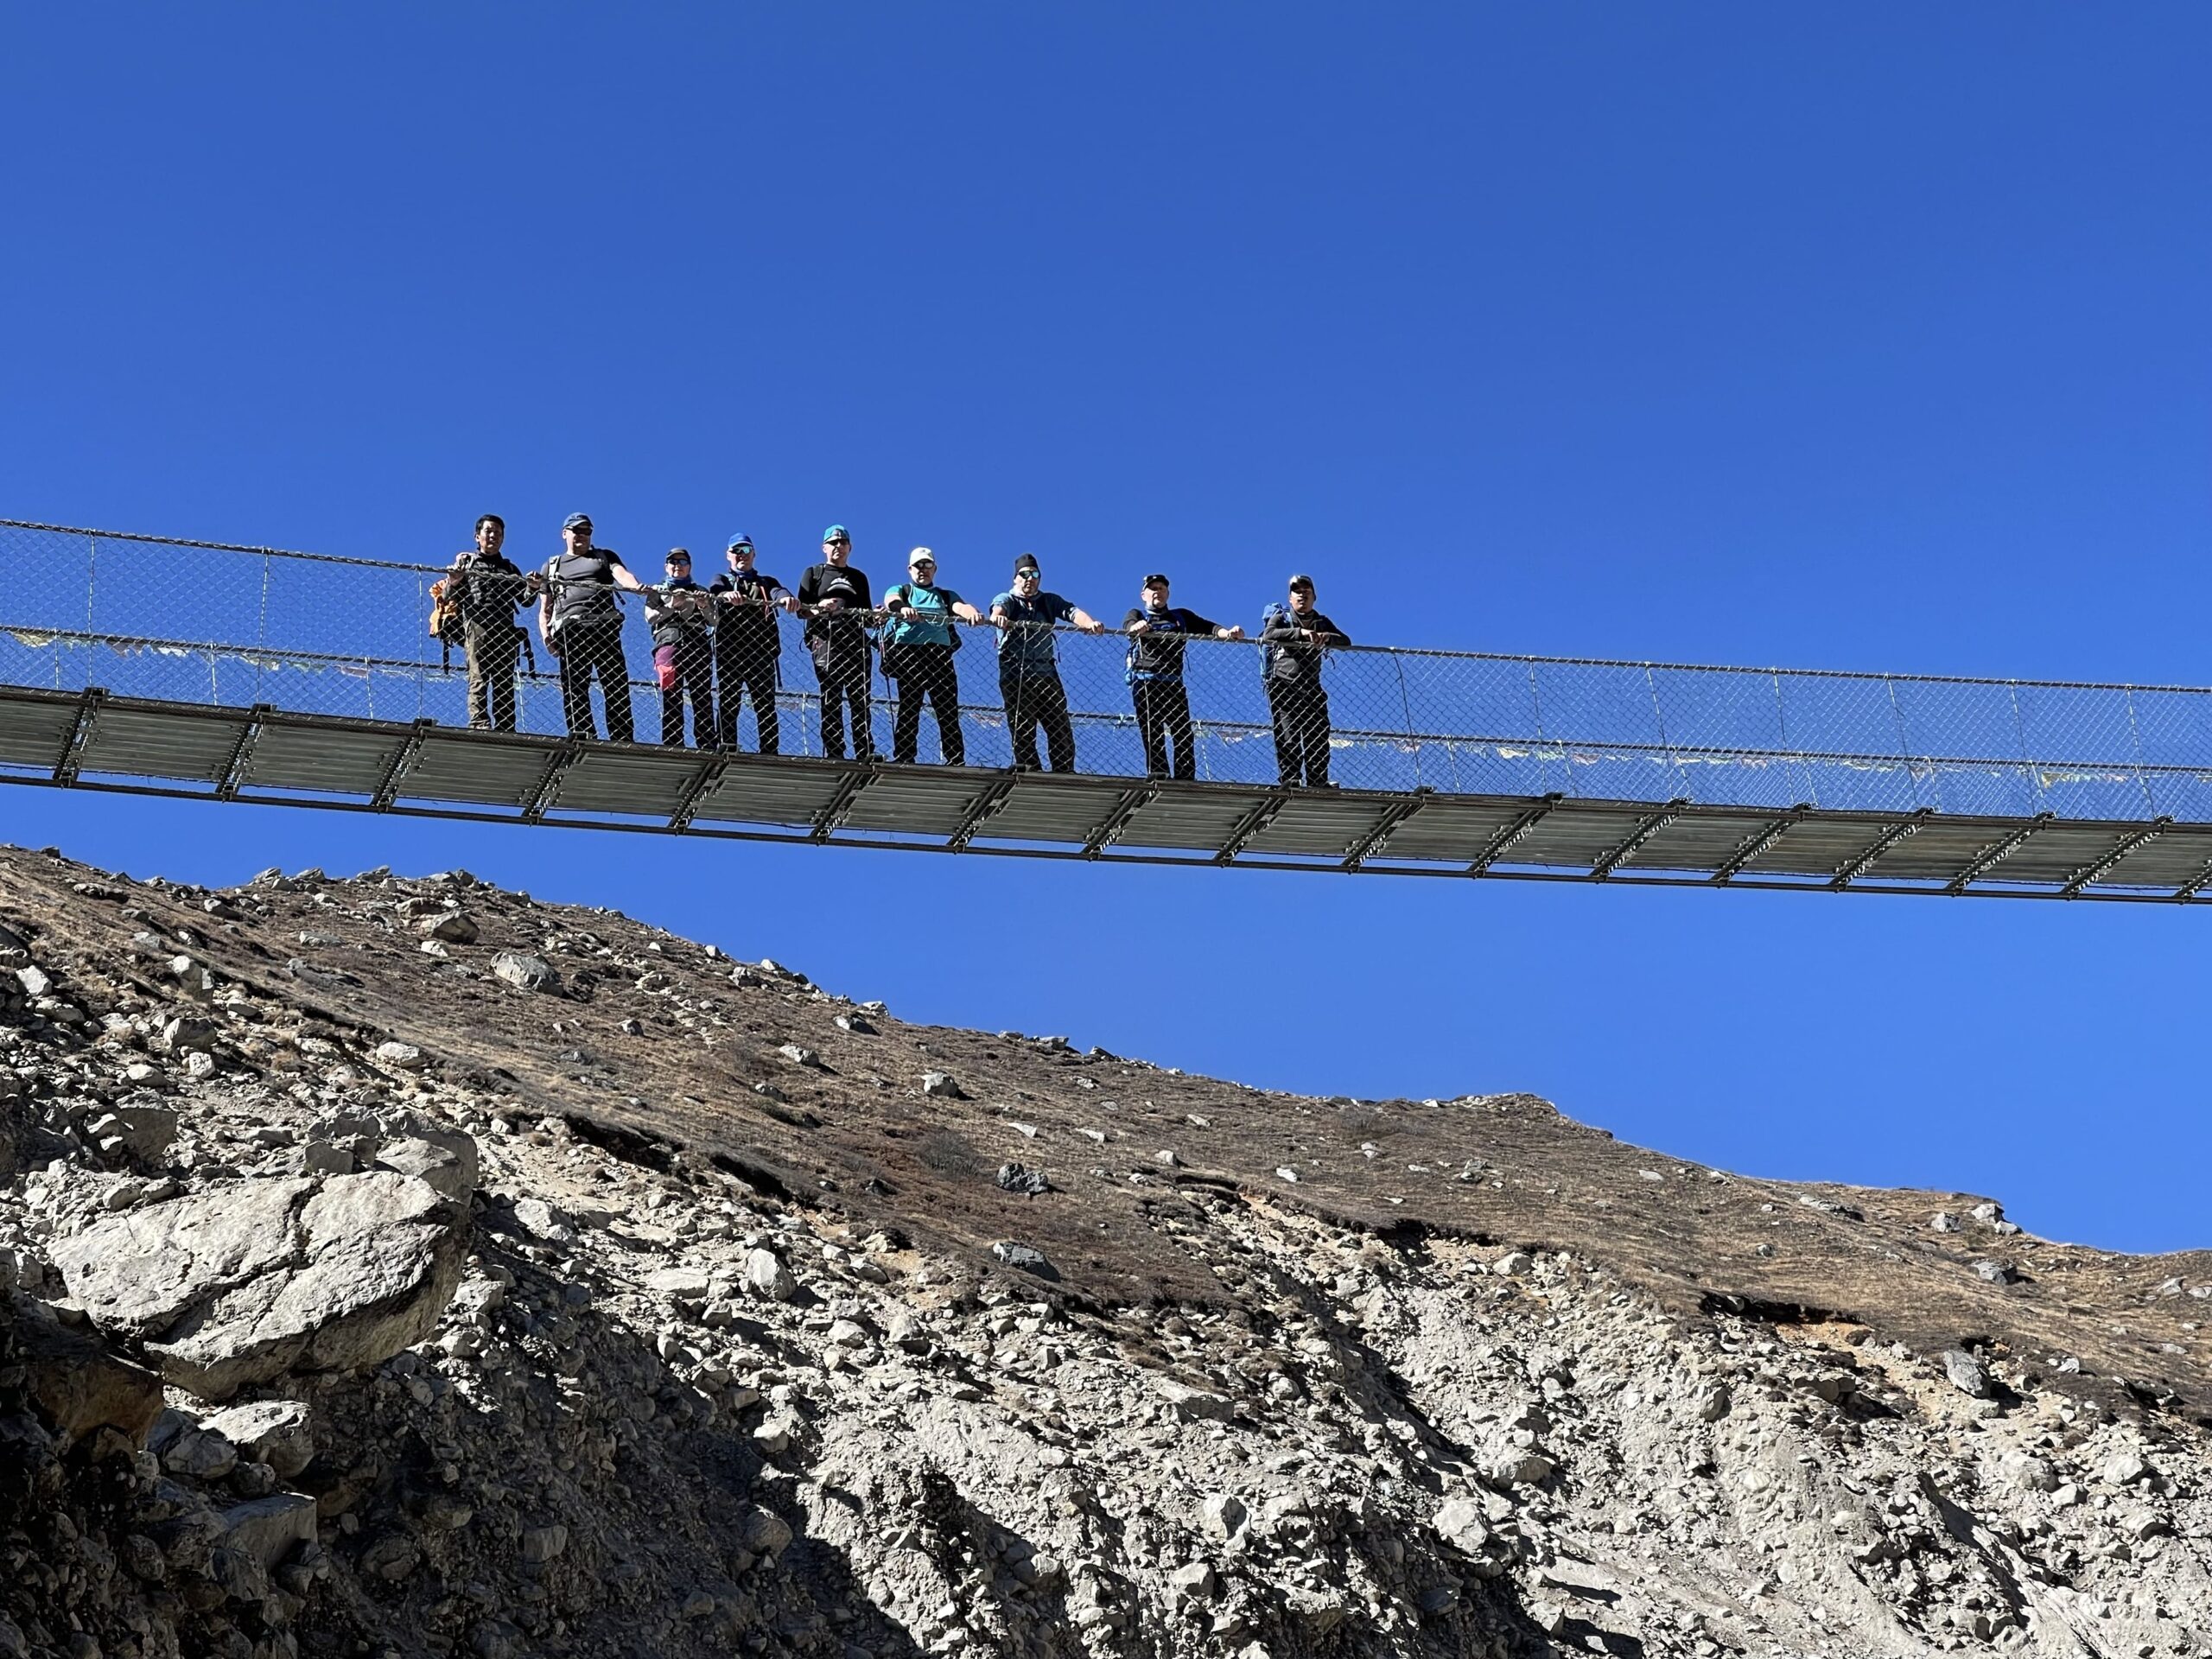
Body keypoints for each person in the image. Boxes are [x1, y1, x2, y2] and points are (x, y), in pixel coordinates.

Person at [538, 512, 650, 743]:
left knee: (616, 685)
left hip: (603, 627)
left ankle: (622, 739)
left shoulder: (603, 557)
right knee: (575, 687)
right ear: (565, 534)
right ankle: (584, 735)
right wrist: (546, 635)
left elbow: (621, 574)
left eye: (586, 531)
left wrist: (636, 586)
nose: (582, 535)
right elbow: (545, 607)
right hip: (571, 631)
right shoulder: (551, 566)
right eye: (576, 531)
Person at [1121, 573, 1243, 781]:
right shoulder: (1138, 614)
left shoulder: (1180, 617)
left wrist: (1228, 633)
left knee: (1183, 733)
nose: (1157, 592)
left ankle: (1185, 778)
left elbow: (1209, 627)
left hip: (1173, 683)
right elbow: (1129, 627)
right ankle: (1159, 774)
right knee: (1152, 731)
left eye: (1161, 588)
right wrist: (1136, 628)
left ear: (1168, 593)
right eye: (1153, 589)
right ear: (1144, 594)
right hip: (1146, 680)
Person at [989, 553, 1104, 772]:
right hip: (1016, 673)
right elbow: (998, 608)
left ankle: (1064, 769)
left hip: (1045, 672)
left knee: (1059, 724)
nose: (1029, 579)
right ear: (1016, 578)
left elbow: (1071, 611)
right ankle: (1030, 768)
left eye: (1034, 574)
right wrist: (999, 617)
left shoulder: (1047, 601)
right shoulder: (1008, 599)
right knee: (1022, 725)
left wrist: (1090, 624)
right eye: (1024, 575)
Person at [881, 548, 984, 766]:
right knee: (909, 706)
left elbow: (960, 607)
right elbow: (891, 599)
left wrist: (971, 614)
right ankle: (905, 756)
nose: (923, 570)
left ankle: (955, 758)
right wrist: (903, 608)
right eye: (918, 565)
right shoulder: (904, 590)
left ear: (934, 569)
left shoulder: (945, 596)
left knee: (947, 708)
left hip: (939, 654)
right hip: (909, 652)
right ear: (910, 569)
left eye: (927, 565)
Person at [444, 514, 537, 733]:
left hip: (505, 628)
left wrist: (532, 587)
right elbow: (448, 596)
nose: (493, 536)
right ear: (477, 536)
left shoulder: (510, 569)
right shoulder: (467, 564)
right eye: (489, 531)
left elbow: (524, 601)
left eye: (498, 532)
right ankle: (479, 724)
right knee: (478, 677)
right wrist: (455, 580)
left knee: (505, 681)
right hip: (477, 626)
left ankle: (506, 727)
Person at [1259, 574, 1351, 787]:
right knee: (1288, 735)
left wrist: (1327, 637)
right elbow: (1269, 635)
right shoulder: (1282, 617)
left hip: (1311, 687)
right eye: (1297, 592)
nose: (1302, 595)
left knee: (1318, 734)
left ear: (1314, 597)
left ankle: (1318, 780)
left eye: (1306, 592)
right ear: (1290, 597)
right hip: (1283, 685)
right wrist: (1301, 633)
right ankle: (1291, 779)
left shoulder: (1322, 621)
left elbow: (1346, 642)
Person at [708, 534, 794, 753]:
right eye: (736, 551)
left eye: (746, 550)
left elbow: (779, 591)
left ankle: (769, 749)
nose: (741, 555)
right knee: (728, 702)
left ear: (754, 554)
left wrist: (786, 598)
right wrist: (728, 595)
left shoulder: (766, 582)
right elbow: (715, 591)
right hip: (730, 651)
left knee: (765, 703)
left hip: (761, 651)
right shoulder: (723, 579)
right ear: (728, 555)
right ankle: (727, 747)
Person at [795, 525, 875, 761]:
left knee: (860, 698)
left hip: (856, 641)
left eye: (842, 543)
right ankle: (835, 751)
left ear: (849, 547)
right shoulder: (814, 573)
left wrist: (875, 616)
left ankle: (864, 750)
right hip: (826, 639)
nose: (838, 546)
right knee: (831, 696)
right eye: (833, 543)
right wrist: (820, 607)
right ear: (824, 548)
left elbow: (867, 614)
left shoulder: (859, 577)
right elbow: (801, 610)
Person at [645, 549, 715, 747]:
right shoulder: (657, 590)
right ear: (666, 566)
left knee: (702, 695)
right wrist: (673, 605)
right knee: (671, 694)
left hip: (698, 645)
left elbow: (714, 621)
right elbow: (650, 617)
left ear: (689, 566)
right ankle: (673, 743)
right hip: (668, 643)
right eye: (673, 562)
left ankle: (707, 743)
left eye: (683, 561)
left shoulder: (700, 590)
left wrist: (703, 605)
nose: (678, 565)